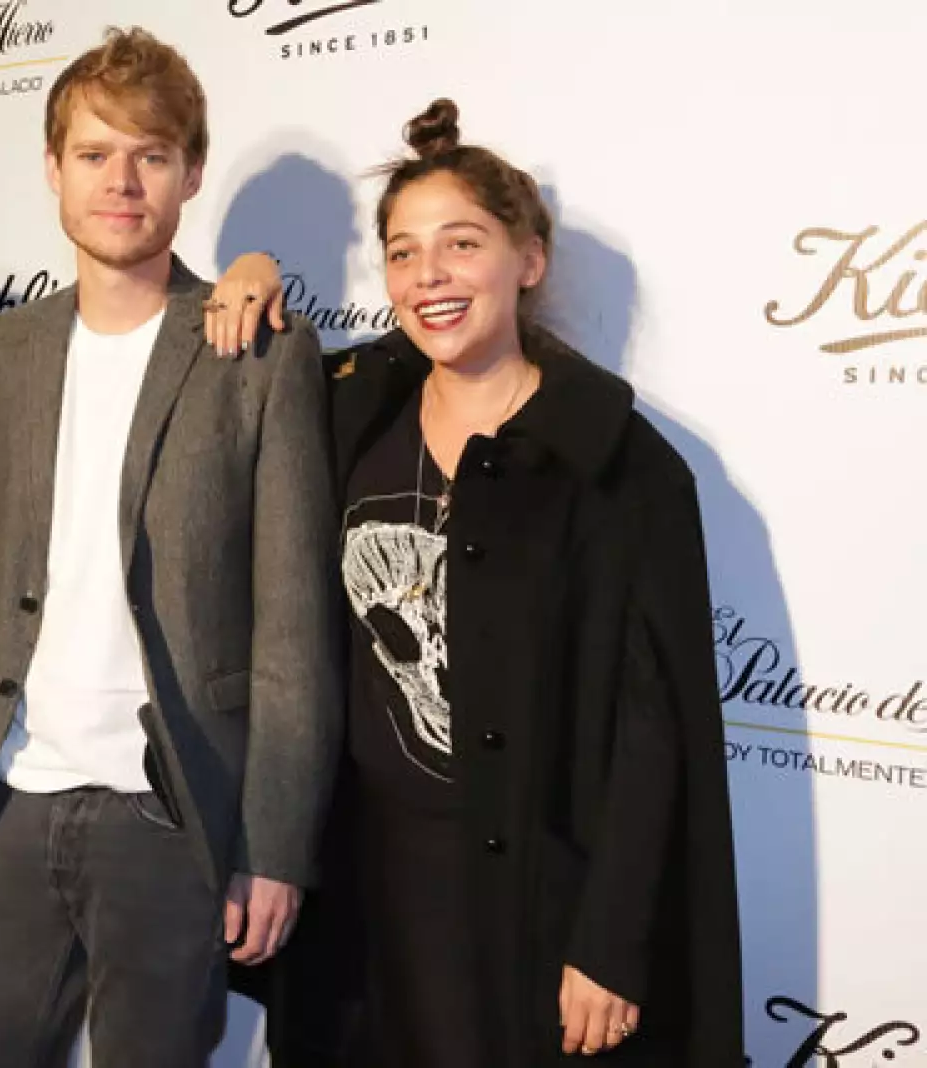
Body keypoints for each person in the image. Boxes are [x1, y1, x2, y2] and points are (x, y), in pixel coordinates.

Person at [209, 99, 744, 1065]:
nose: (429, 278)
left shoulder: (619, 465)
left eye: (462, 244)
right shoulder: (345, 418)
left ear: (528, 260)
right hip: (365, 895)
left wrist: (612, 941)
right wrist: (250, 275)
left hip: (537, 897)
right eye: (403, 253)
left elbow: (654, 728)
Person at [0, 26, 341, 1068]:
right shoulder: (0, 354)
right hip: (6, 802)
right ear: (53, 170)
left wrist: (273, 845)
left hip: (171, 811)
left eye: (150, 155)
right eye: (94, 154)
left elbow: (292, 626)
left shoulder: (257, 352)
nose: (122, 182)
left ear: (190, 173)